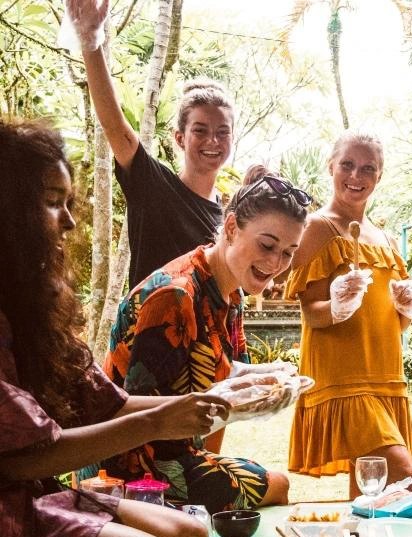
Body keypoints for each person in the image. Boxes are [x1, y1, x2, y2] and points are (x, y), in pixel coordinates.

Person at [0, 118, 235, 537]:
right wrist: (156, 423)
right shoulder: (174, 292)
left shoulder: (31, 300)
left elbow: (104, 401)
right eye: (51, 203)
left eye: (69, 204)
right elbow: (21, 459)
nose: (68, 221)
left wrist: (208, 401)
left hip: (32, 494)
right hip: (11, 503)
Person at [102, 173, 313, 513]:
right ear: (231, 228)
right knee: (278, 485)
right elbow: (140, 413)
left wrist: (273, 378)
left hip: (176, 451)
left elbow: (228, 375)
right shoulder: (174, 296)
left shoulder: (231, 292)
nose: (276, 264)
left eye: (289, 252)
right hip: (129, 466)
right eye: (267, 245)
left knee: (265, 484)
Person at [285, 130, 412, 499]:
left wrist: (409, 309)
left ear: (380, 176)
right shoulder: (317, 227)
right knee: (400, 474)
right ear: (330, 166)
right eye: (347, 165)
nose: (356, 177)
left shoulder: (387, 240)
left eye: (368, 169)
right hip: (344, 377)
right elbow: (311, 313)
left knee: (368, 487)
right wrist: (337, 306)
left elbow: (397, 323)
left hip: (385, 376)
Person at [68, 0, 233, 289]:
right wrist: (90, 42)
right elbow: (114, 126)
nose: (213, 141)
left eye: (223, 131)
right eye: (200, 130)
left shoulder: (227, 214)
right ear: (179, 137)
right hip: (150, 333)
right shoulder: (153, 185)